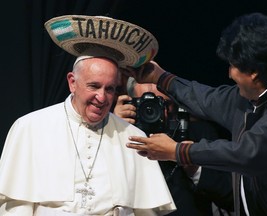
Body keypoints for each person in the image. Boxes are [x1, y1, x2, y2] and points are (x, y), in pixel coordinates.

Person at [0, 15, 176, 215]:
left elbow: (145, 212)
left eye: (110, 89)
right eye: (94, 86)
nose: (101, 97)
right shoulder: (30, 128)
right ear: (72, 82)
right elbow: (15, 208)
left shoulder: (133, 138)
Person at [125, 12, 267, 216]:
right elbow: (204, 98)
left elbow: (247, 152)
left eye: (233, 65)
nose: (229, 73)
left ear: (253, 71)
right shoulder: (246, 98)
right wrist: (160, 77)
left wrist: (178, 151)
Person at [114, 77, 233, 216]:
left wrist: (195, 168)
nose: (157, 112)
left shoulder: (198, 135)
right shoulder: (120, 135)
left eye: (164, 104)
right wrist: (114, 126)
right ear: (132, 105)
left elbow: (231, 199)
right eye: (146, 106)